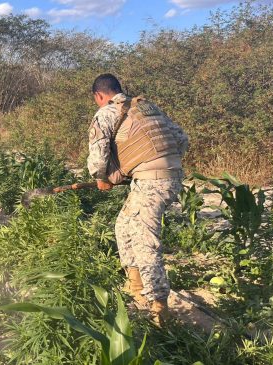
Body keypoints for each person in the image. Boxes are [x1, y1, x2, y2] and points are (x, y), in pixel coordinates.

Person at [86, 74, 188, 324]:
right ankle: (135, 287)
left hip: (152, 182)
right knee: (124, 226)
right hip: (170, 176)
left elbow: (99, 157)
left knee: (144, 240)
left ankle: (159, 309)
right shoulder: (146, 107)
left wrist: (102, 177)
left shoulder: (106, 113)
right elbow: (182, 139)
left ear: (99, 96)